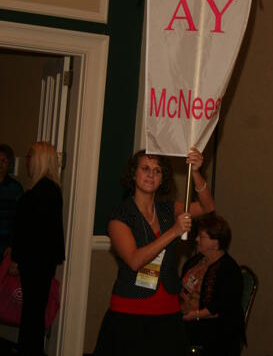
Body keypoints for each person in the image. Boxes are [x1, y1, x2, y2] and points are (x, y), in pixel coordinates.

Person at [94, 147, 215, 356]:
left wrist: (195, 172)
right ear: (134, 174)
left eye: (157, 170)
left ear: (162, 178)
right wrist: (173, 232)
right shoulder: (120, 217)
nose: (151, 174)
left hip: (167, 313)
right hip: (130, 314)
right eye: (145, 168)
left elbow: (207, 207)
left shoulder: (168, 209)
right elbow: (134, 260)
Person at [12, 141, 65, 356]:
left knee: (32, 310)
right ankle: (29, 348)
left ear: (40, 160)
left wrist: (17, 257)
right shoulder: (48, 189)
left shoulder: (44, 191)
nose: (27, 161)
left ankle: (30, 349)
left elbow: (34, 231)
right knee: (33, 309)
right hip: (39, 261)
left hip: (35, 261)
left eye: (30, 156)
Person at [180, 213, 245, 356]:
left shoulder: (229, 270)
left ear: (215, 243)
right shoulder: (196, 261)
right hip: (188, 321)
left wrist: (193, 315)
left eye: (201, 237)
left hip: (215, 331)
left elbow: (220, 308)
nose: (196, 239)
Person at [0, 143, 23, 261]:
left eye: (4, 160)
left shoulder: (15, 188)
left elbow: (19, 219)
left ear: (9, 164)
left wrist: (12, 245)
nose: (0, 163)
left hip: (5, 243)